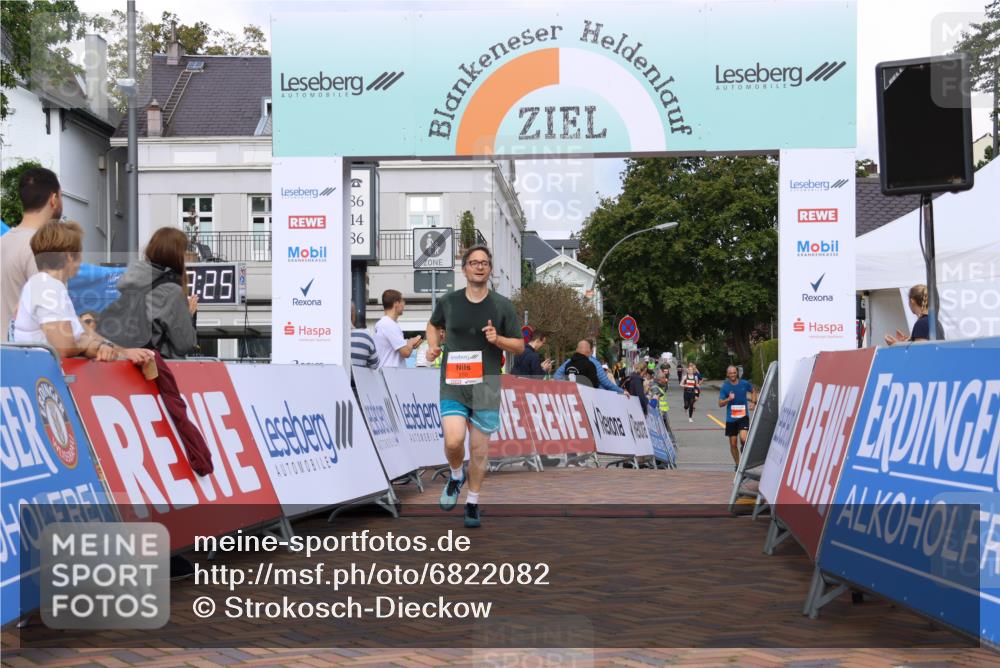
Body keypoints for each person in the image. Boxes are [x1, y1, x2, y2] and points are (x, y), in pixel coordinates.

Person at [97, 226, 210, 581]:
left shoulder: (129, 282)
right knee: (158, 467)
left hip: (110, 377)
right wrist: (189, 312)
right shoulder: (169, 291)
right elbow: (180, 344)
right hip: (146, 379)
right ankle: (165, 551)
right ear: (178, 257)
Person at [425, 245, 522, 528]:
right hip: (454, 382)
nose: (479, 267)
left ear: (490, 269)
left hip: (487, 384)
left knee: (479, 451)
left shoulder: (503, 305)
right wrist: (433, 347)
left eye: (484, 263)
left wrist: (497, 340)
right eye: (473, 262)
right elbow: (433, 326)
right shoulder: (449, 302)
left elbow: (519, 345)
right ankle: (456, 475)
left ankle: (473, 502)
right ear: (464, 268)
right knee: (454, 441)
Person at [12, 220, 152, 368]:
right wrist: (91, 346)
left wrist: (124, 352)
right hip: (41, 380)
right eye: (79, 254)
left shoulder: (47, 285)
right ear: (69, 257)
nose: (81, 261)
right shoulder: (47, 286)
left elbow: (86, 333)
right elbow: (64, 346)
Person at [2, 167, 62, 339]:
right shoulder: (44, 250)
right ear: (53, 199)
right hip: (30, 358)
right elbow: (55, 322)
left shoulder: (3, 242)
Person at [718, 365, 757, 466]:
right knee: (733, 444)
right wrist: (728, 399)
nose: (732, 375)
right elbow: (720, 403)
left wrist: (753, 402)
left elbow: (753, 390)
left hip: (743, 416)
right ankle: (738, 464)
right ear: (727, 374)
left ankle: (744, 450)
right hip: (731, 419)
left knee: (744, 439)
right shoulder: (725, 387)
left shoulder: (744, 383)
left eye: (734, 373)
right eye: (730, 373)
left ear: (737, 373)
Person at [554, 339, 624, 394]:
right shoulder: (593, 363)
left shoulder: (569, 362)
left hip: (571, 395)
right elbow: (605, 383)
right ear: (591, 350)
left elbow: (557, 376)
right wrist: (621, 391)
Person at [374, 289, 422, 369]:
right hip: (391, 375)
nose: (404, 304)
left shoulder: (384, 324)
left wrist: (408, 343)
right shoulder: (389, 325)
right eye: (402, 301)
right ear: (396, 303)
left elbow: (397, 348)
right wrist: (411, 342)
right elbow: (406, 352)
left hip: (388, 373)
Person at [350, 302, 379, 369]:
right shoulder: (365, 336)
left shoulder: (326, 336)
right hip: (357, 379)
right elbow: (374, 365)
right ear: (353, 315)